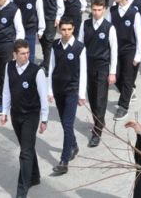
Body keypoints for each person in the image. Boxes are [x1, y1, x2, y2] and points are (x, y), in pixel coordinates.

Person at [1, 39, 49, 197]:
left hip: (31, 115)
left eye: (28, 53)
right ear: (14, 54)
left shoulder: (37, 71)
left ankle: (22, 189)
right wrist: (4, 112)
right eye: (22, 54)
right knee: (26, 147)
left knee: (25, 152)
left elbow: (43, 97)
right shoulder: (9, 67)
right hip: (16, 115)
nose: (26, 56)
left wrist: (44, 119)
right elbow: (7, 90)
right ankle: (34, 177)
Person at [47, 19, 86, 175]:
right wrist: (50, 90)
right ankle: (74, 145)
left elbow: (83, 72)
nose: (66, 32)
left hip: (71, 90)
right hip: (58, 89)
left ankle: (64, 161)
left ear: (73, 29)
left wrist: (81, 94)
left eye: (69, 29)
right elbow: (51, 67)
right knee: (64, 122)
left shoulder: (79, 48)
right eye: (63, 29)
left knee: (68, 124)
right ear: (59, 29)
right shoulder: (55, 45)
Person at [78, 0, 117, 147]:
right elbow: (80, 45)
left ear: (104, 9)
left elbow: (114, 51)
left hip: (102, 67)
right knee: (92, 97)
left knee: (100, 99)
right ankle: (99, 120)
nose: (96, 13)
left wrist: (112, 72)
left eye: (99, 10)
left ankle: (97, 131)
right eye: (94, 10)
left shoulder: (109, 28)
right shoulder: (85, 24)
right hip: (88, 66)